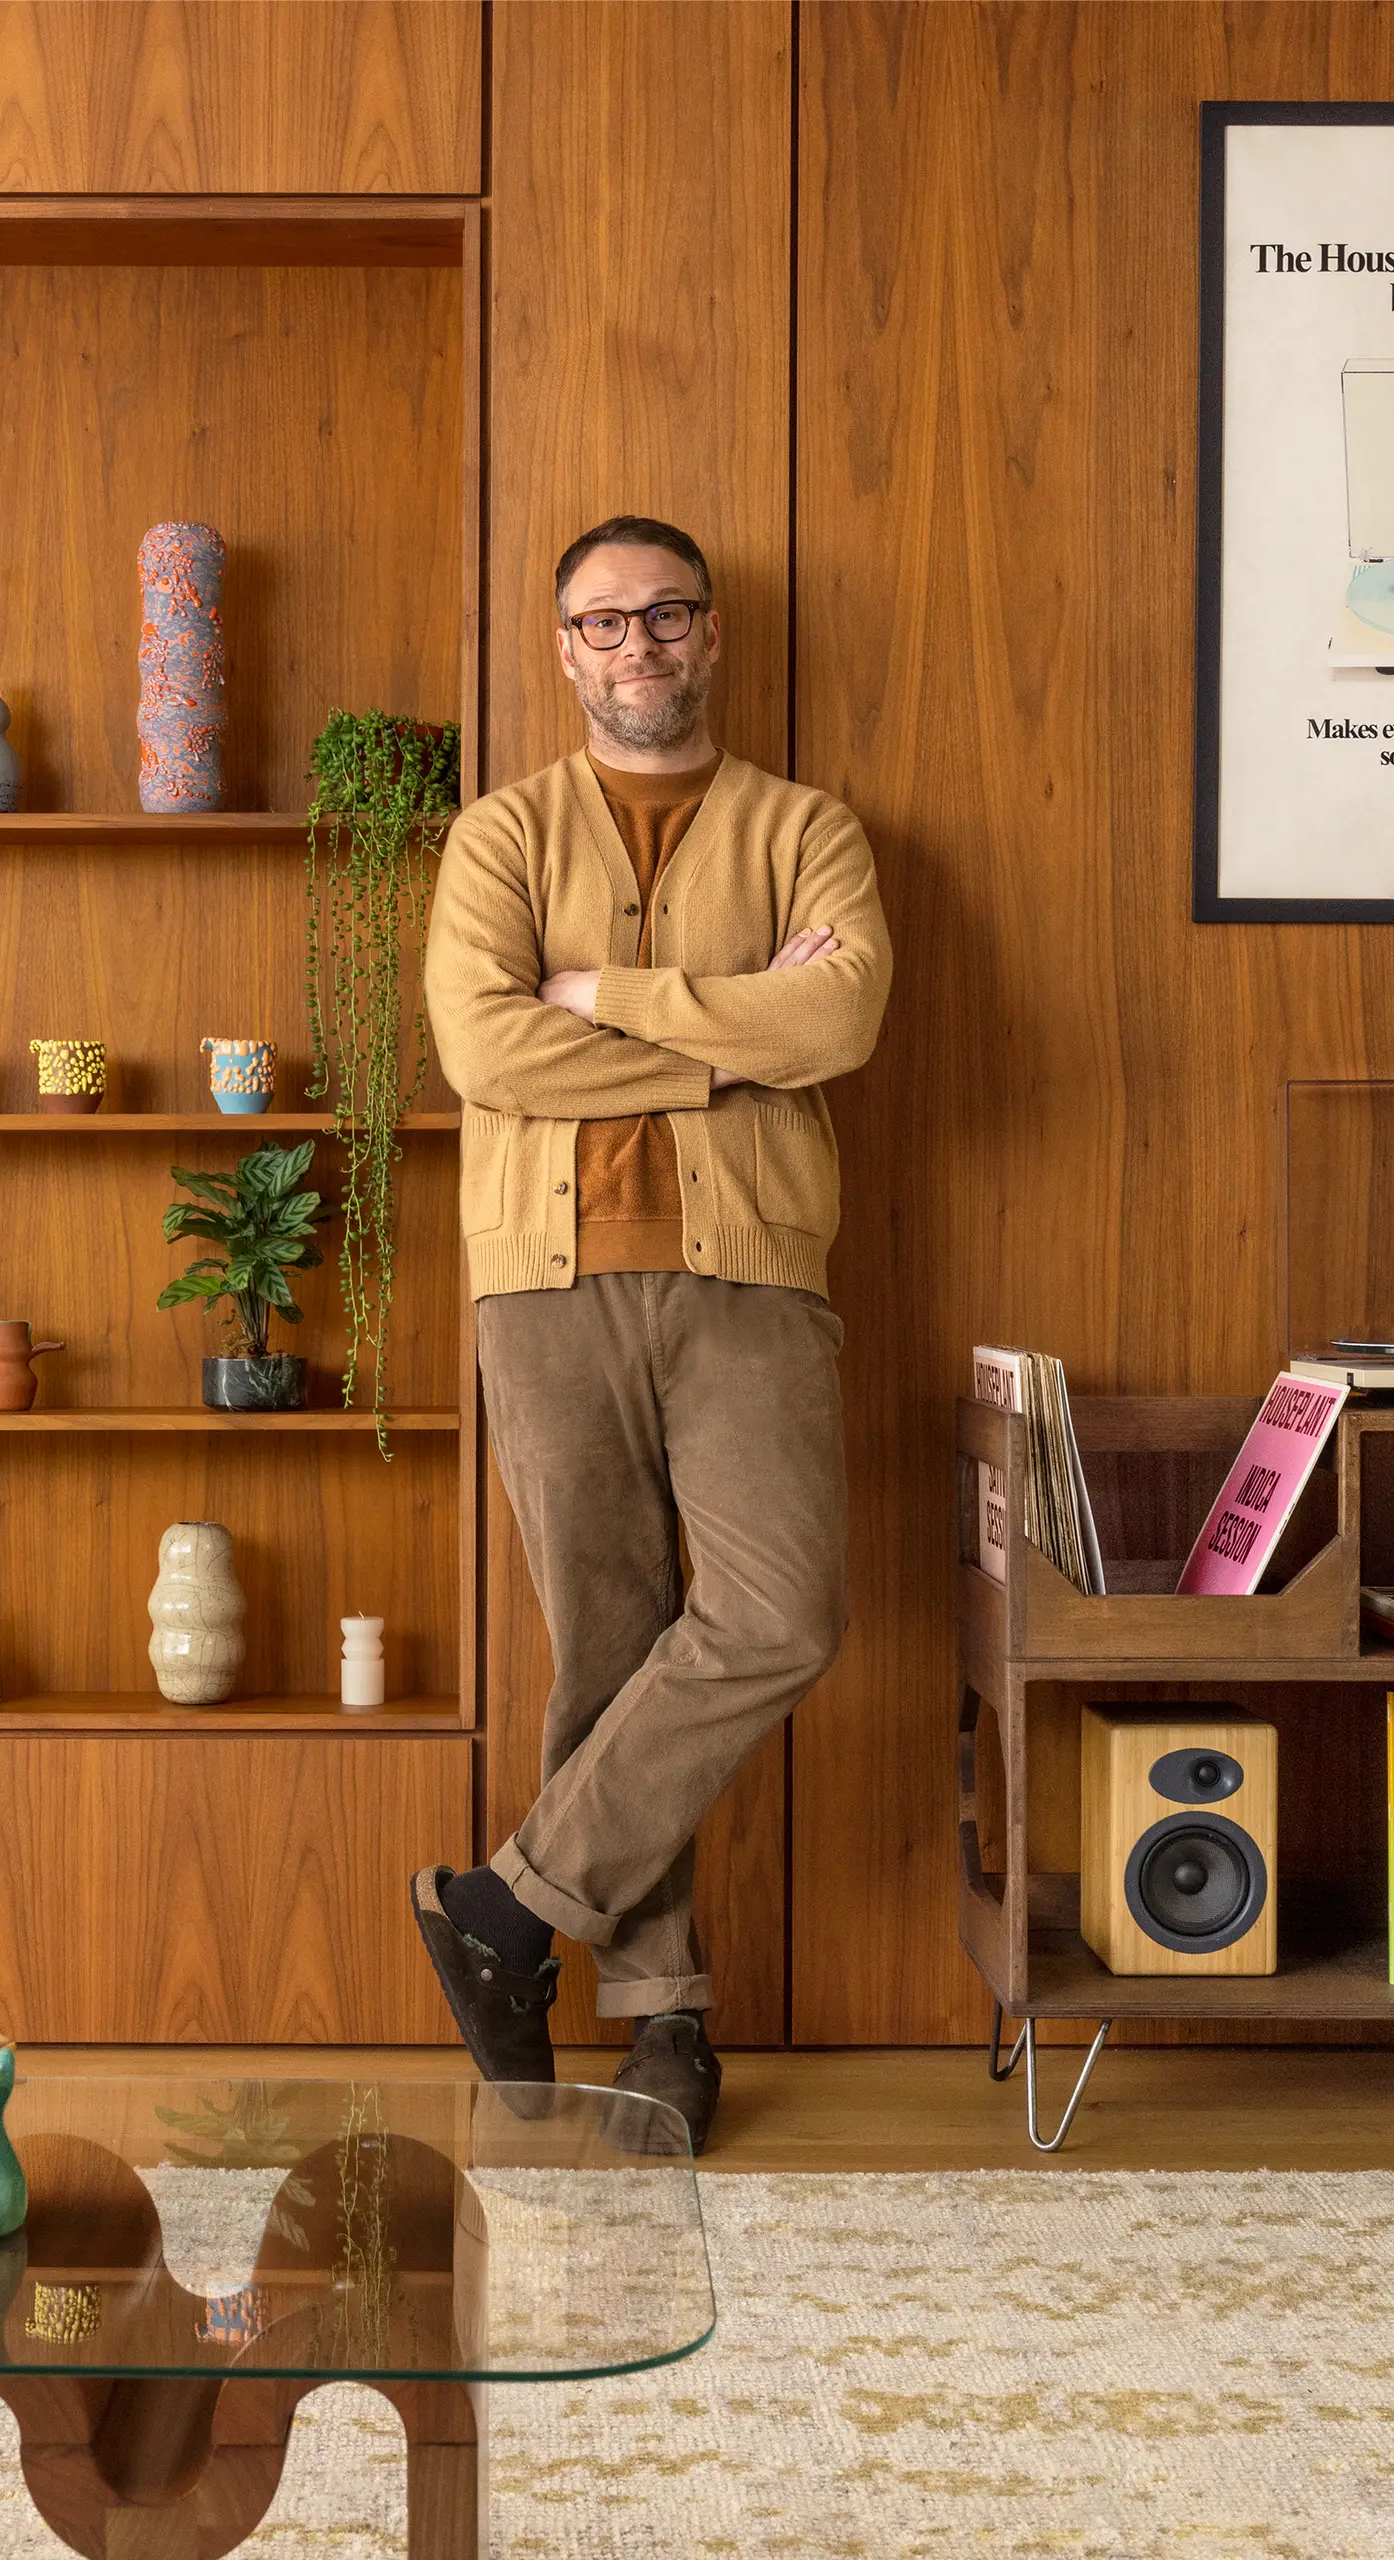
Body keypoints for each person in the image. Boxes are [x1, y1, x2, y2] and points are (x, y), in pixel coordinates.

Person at [409, 514, 889, 2151]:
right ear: (564, 651)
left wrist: (603, 1001)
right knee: (608, 1650)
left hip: (752, 1274)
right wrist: (726, 1041)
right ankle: (663, 2016)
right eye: (602, 625)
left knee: (779, 1616)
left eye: (664, 617)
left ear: (710, 633)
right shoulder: (501, 835)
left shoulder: (806, 827)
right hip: (540, 1285)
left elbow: (841, 1015)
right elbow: (485, 1050)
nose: (637, 648)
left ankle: (507, 1906)